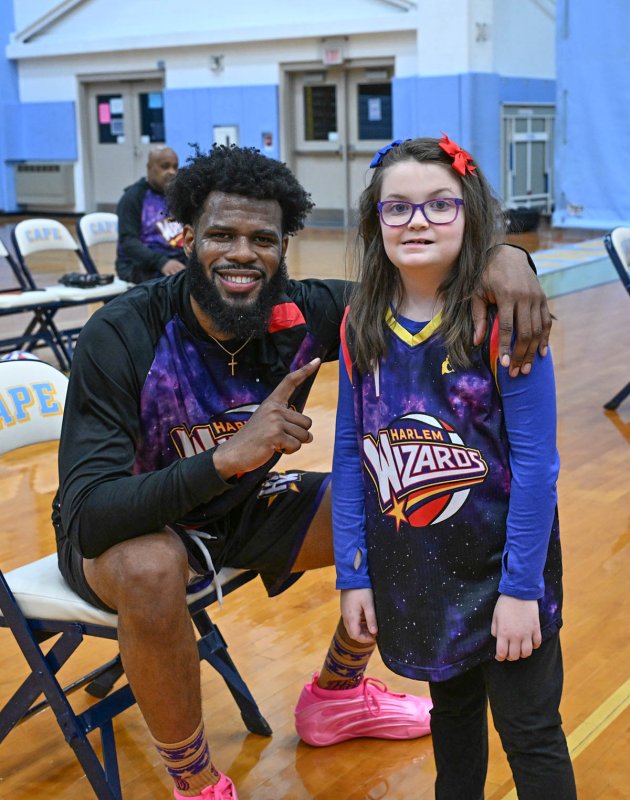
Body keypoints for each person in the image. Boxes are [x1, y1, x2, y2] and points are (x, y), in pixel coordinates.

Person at [54, 143, 551, 800]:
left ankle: (335, 697)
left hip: (239, 509)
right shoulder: (123, 333)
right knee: (151, 566)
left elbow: (418, 279)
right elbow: (91, 516)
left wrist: (503, 255)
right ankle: (196, 781)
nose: (242, 254)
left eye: (263, 238)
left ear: (285, 245)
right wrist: (226, 459)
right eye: (221, 235)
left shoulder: (304, 310)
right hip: (130, 531)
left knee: (392, 494)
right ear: (185, 237)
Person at [333, 136, 576, 799]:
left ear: (469, 214)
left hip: (504, 577)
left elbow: (536, 468)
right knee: (453, 726)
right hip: (417, 577)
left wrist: (521, 590)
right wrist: (353, 575)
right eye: (398, 207)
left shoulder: (502, 321)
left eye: (440, 205)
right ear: (373, 220)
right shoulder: (361, 323)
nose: (417, 221)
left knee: (530, 732)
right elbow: (351, 456)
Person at [115, 145, 188, 283]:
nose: (171, 172)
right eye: (165, 166)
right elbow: (128, 242)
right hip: (140, 266)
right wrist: (161, 262)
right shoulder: (133, 197)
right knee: (179, 284)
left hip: (176, 260)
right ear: (149, 167)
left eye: (175, 167)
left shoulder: (179, 197)